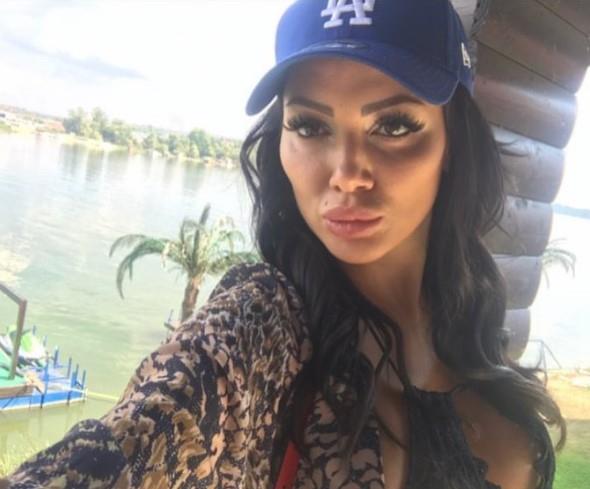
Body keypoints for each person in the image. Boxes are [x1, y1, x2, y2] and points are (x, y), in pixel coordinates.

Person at [3, 0, 565, 488]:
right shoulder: (260, 327)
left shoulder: (490, 374)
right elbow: (140, 436)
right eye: (310, 126)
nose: (346, 174)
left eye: (393, 125)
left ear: (453, 144)